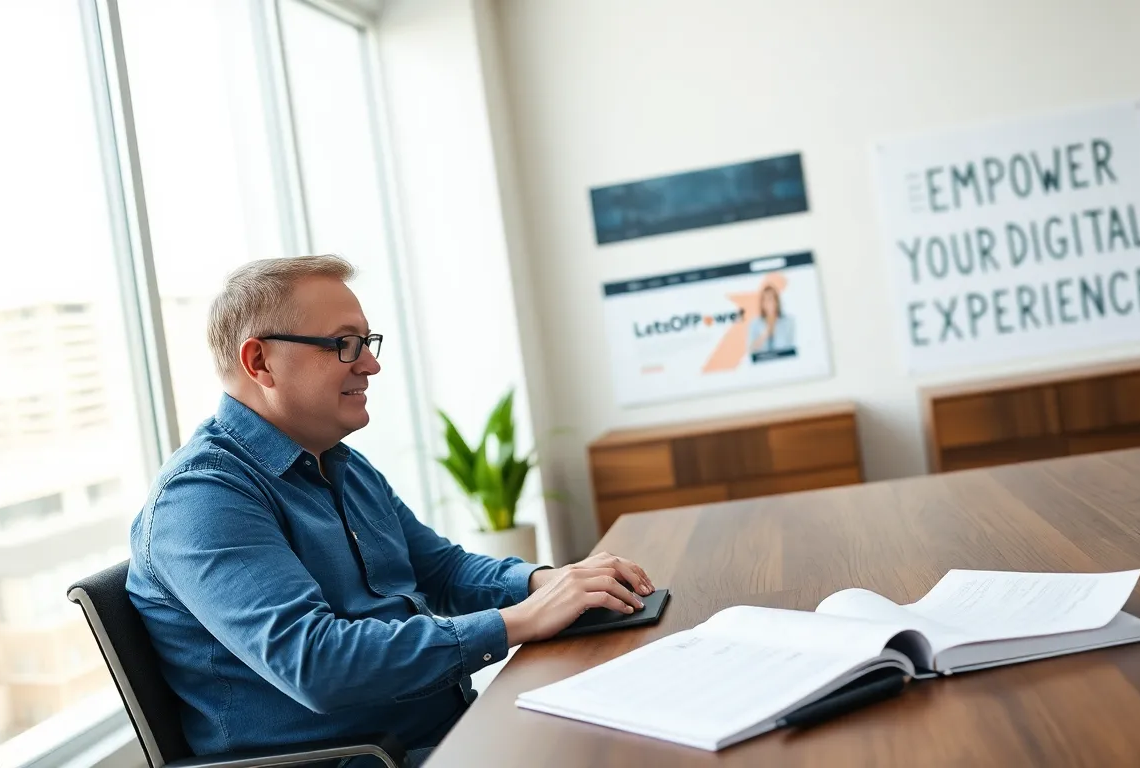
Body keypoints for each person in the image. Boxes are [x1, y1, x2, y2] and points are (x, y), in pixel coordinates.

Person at [126, 255, 653, 767]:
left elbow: (442, 569)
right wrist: (519, 621)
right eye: (344, 344)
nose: (371, 364)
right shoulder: (202, 498)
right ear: (259, 361)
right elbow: (318, 664)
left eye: (368, 343)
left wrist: (549, 582)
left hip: (440, 735)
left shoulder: (340, 464)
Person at [747, 284, 795, 356]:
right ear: (762, 303)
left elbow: (790, 346)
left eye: (771, 298)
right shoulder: (754, 324)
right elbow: (751, 350)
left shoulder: (788, 322)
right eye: (765, 300)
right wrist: (766, 333)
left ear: (777, 301)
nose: (769, 303)